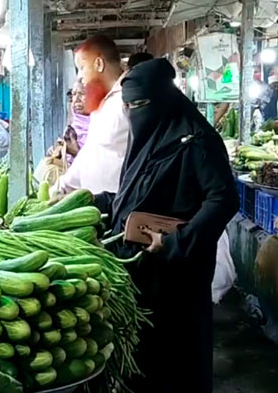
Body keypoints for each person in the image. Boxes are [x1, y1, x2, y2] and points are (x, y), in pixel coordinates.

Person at [93, 58, 238, 392]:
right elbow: (138, 193)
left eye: (140, 104)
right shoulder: (145, 139)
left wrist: (176, 242)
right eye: (127, 106)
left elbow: (223, 199)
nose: (134, 112)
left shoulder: (197, 140)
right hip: (143, 270)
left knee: (177, 359)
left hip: (178, 274)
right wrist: (98, 201)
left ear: (163, 98)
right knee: (145, 359)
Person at [56, 35, 129, 194]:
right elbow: (90, 152)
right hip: (97, 204)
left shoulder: (129, 99)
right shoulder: (103, 103)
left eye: (82, 67)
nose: (80, 76)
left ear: (99, 64)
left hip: (120, 204)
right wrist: (62, 186)